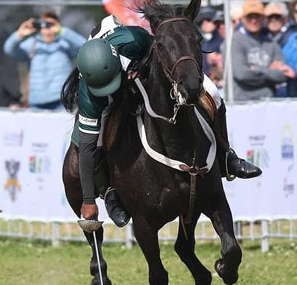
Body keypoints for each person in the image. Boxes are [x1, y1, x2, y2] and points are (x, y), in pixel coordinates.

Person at [62, 15, 261, 225]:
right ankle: (110, 190)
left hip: (138, 63)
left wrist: (143, 66)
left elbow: (162, 52)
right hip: (108, 72)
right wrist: (88, 199)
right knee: (98, 134)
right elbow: (86, 148)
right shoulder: (88, 91)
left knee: (212, 91)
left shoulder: (135, 39)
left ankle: (226, 156)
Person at [3, 11, 85, 110]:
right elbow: (8, 49)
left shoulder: (65, 44)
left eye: (51, 25)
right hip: (36, 102)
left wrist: (62, 31)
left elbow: (84, 46)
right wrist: (20, 34)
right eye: (44, 25)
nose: (47, 29)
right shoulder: (32, 44)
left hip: (61, 100)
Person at [228, 0, 294, 101]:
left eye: (257, 16)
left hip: (268, 102)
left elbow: (282, 76)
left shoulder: (271, 43)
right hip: (241, 103)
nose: (254, 21)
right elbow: (241, 74)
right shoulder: (234, 41)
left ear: (263, 18)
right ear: (243, 19)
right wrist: (270, 71)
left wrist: (256, 69)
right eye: (250, 17)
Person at [196, 7, 224, 88]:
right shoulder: (204, 42)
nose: (204, 23)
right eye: (201, 22)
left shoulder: (223, 40)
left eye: (208, 20)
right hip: (209, 83)